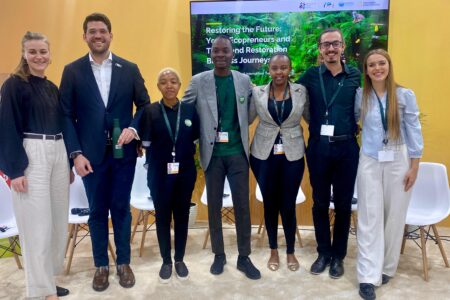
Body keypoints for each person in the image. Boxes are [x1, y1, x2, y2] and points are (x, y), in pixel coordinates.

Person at [59, 13, 150, 291]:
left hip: (123, 155)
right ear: (84, 36)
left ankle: (123, 263)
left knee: (121, 210)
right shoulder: (72, 71)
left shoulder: (130, 68)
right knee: (97, 211)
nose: (98, 36)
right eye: (92, 32)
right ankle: (101, 265)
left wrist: (134, 130)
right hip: (90, 158)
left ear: (111, 35)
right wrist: (75, 154)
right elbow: (65, 115)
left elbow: (144, 106)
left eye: (102, 31)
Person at [183, 35, 261, 280]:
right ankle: (219, 255)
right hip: (212, 155)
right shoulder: (198, 81)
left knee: (242, 207)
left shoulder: (244, 80)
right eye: (216, 51)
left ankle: (244, 257)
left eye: (225, 51)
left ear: (232, 53)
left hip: (237, 153)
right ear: (211, 53)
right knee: (214, 207)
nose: (220, 55)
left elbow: (249, 114)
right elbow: (185, 112)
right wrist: (193, 137)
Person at [0, 31, 71, 299]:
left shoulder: (52, 87)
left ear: (49, 55)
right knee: (36, 225)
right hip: (32, 152)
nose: (38, 56)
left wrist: (66, 162)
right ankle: (40, 291)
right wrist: (15, 170)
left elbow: (63, 125)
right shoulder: (13, 85)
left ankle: (47, 281)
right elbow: (6, 128)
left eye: (43, 51)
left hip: (57, 150)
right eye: (33, 52)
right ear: (24, 54)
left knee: (55, 222)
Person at [355, 49, 423, 300]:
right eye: (371, 65)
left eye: (381, 63)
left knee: (394, 217)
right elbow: (356, 121)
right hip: (370, 159)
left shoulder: (405, 95)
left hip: (399, 160)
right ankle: (367, 276)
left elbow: (414, 130)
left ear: (389, 65)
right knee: (369, 217)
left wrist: (415, 167)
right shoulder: (360, 96)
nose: (377, 68)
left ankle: (386, 268)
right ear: (366, 70)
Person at [297, 28, 361, 278]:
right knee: (320, 202)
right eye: (326, 45)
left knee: (344, 205)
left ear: (343, 46)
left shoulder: (355, 75)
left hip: (347, 148)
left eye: (335, 44)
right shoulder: (311, 75)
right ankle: (323, 252)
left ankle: (338, 256)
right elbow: (290, 97)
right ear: (320, 50)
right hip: (318, 148)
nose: (331, 49)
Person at [249, 53, 309, 272]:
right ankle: (273, 250)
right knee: (270, 203)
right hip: (263, 155)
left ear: (290, 69)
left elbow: (312, 117)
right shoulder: (258, 92)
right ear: (269, 69)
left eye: (283, 68)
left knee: (288, 204)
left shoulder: (301, 92)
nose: (279, 72)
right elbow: (246, 118)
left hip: (292, 155)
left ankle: (290, 251)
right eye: (275, 68)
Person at [140, 68, 199, 283]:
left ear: (180, 84)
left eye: (173, 81)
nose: (169, 85)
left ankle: (180, 259)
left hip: (184, 173)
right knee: (163, 217)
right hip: (159, 174)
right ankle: (166, 260)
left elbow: (194, 140)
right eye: (164, 82)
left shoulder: (190, 110)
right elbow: (146, 144)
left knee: (181, 216)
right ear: (158, 87)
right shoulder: (150, 111)